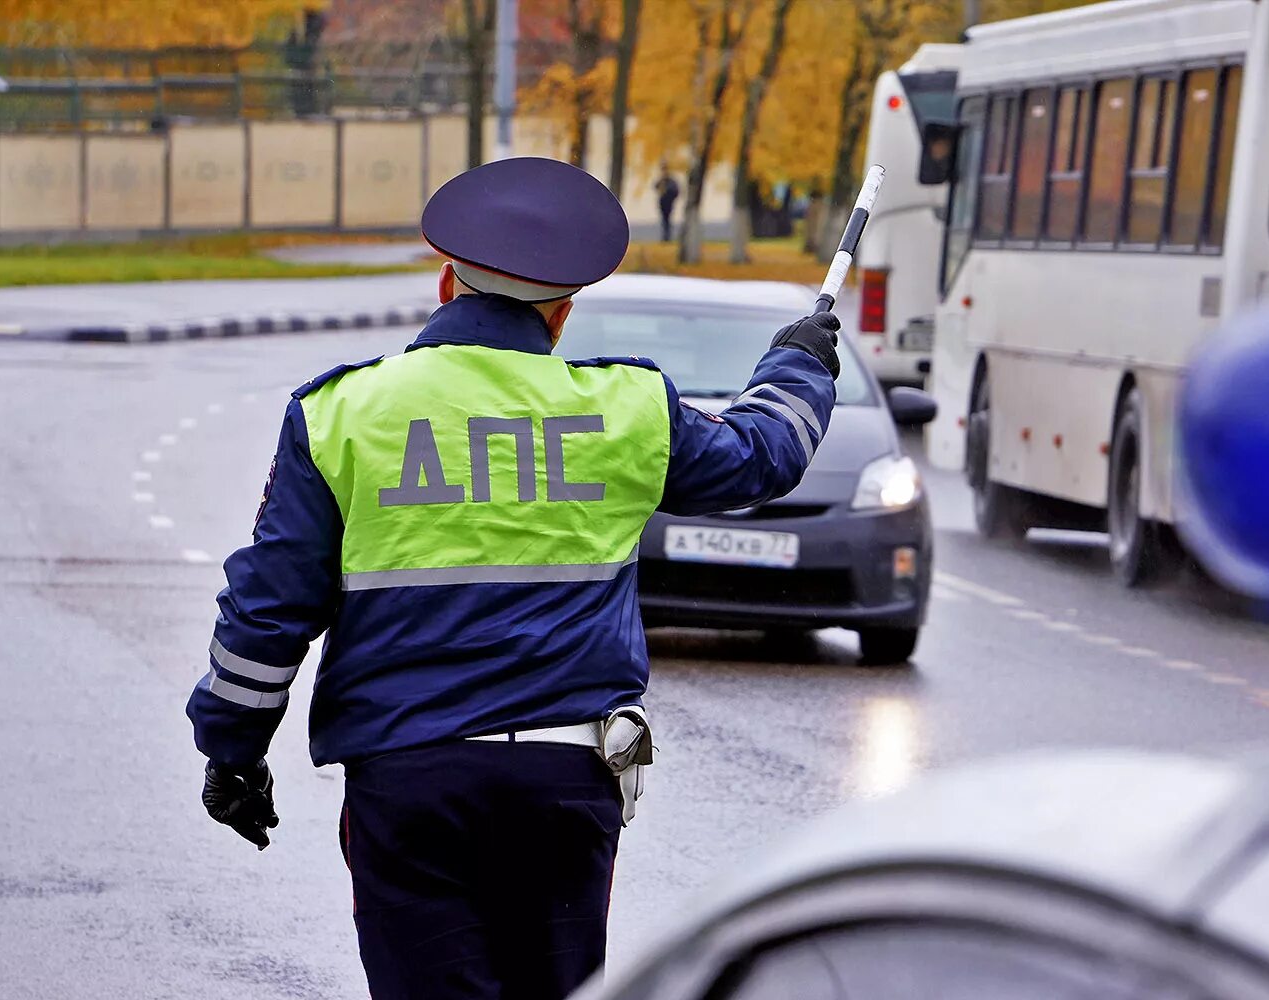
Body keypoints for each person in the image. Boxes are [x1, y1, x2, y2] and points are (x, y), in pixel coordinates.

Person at [185, 156, 841, 1000]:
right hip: (568, 782)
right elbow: (762, 455)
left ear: (444, 287)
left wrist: (232, 753)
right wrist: (799, 362)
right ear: (562, 314)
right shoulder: (627, 409)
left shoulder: (341, 412)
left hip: (408, 777)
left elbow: (269, 611)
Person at [654, 165, 680, 242]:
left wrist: (668, 194)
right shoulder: (661, 181)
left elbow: (676, 192)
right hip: (663, 204)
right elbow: (655, 186)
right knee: (664, 221)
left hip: (669, 203)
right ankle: (665, 237)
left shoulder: (671, 182)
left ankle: (668, 237)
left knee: (668, 221)